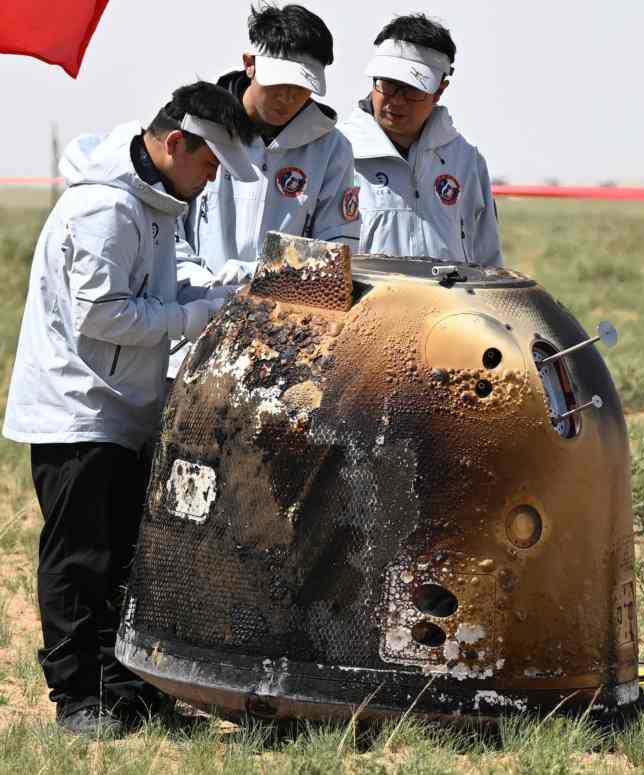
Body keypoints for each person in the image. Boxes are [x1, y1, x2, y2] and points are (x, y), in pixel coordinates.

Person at [2, 82, 254, 736]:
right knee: (81, 560)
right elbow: (101, 313)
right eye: (209, 167)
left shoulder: (156, 203)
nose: (209, 182)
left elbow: (162, 289)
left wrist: (228, 286)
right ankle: (76, 698)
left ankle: (128, 696)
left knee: (124, 558)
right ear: (175, 144)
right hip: (78, 410)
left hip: (123, 409)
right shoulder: (104, 211)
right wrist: (192, 317)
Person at [176, 2, 359, 294]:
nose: (286, 98)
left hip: (284, 318)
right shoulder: (196, 124)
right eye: (278, 83)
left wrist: (261, 272)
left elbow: (337, 253)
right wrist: (200, 284)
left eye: (301, 86)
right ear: (250, 63)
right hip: (192, 306)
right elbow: (163, 232)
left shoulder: (332, 150)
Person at [338, 14, 503, 266]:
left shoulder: (466, 160)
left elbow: (489, 258)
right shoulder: (337, 152)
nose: (397, 100)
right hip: (365, 305)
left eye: (412, 88)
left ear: (439, 90)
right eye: (388, 84)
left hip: (450, 305)